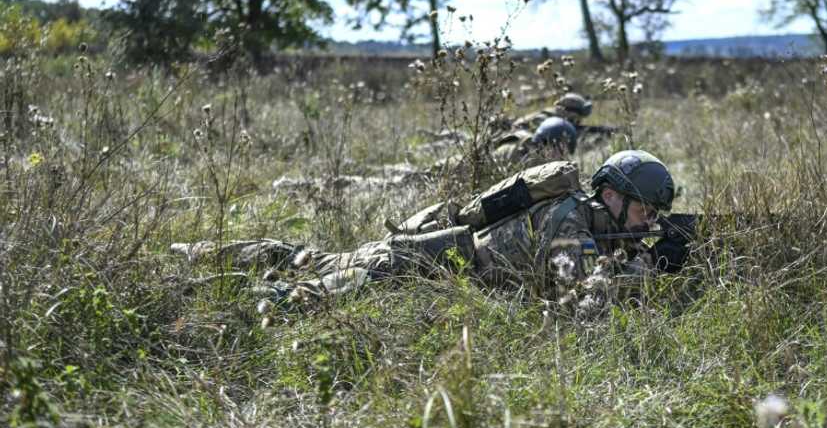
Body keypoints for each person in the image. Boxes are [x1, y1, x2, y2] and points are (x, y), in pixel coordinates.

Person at [172, 150, 676, 307]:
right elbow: (576, 303)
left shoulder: (586, 218)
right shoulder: (571, 223)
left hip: (438, 256)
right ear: (611, 197)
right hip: (428, 267)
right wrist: (633, 277)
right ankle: (200, 279)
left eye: (653, 217)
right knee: (310, 292)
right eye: (643, 212)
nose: (647, 223)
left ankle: (203, 255)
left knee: (315, 259)